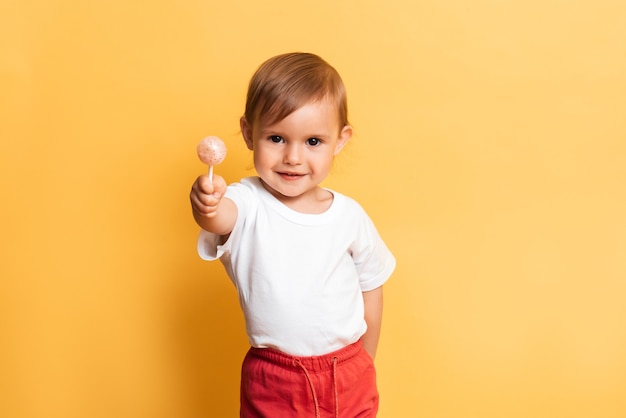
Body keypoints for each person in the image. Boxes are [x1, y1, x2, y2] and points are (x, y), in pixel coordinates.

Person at [190, 52, 396, 418]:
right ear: (249, 133)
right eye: (277, 138)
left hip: (348, 370)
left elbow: (372, 286)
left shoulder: (349, 216)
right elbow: (221, 219)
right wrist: (207, 203)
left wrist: (367, 357)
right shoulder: (246, 201)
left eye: (313, 141)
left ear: (340, 140)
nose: (293, 157)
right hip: (274, 379)